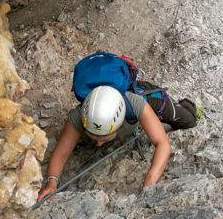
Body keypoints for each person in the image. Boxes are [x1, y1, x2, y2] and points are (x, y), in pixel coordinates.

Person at [36, 80, 199, 202]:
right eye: (94, 138)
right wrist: (52, 183)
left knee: (189, 120)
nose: (99, 144)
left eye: (104, 138)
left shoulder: (136, 104)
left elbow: (162, 144)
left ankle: (187, 105)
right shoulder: (79, 115)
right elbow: (61, 154)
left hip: (148, 97)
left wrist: (149, 182)